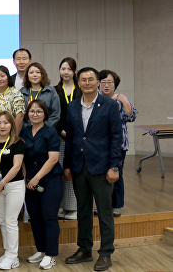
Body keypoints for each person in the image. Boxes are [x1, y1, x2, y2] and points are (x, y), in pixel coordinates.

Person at [64, 68, 122, 272]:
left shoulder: (110, 105)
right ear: (78, 83)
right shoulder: (71, 107)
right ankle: (85, 249)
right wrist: (68, 165)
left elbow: (117, 137)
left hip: (103, 167)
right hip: (79, 166)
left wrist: (114, 166)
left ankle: (106, 252)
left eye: (91, 79)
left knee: (105, 212)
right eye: (83, 80)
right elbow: (70, 138)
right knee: (83, 211)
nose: (87, 82)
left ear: (98, 82)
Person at [19, 100, 63, 270]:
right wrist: (25, 178)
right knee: (34, 216)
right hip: (29, 181)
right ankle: (41, 249)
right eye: (32, 111)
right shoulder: (24, 131)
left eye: (39, 111)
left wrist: (36, 178)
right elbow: (21, 158)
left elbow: (53, 159)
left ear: (45, 114)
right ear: (28, 114)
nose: (35, 114)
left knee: (49, 216)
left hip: (49, 179)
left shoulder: (51, 132)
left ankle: (50, 254)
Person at [98, 69, 138, 217]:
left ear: (115, 84)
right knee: (101, 176)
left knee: (117, 174)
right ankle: (103, 205)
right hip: (100, 144)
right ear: (98, 84)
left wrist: (125, 101)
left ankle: (117, 205)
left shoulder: (120, 99)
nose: (106, 86)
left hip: (118, 144)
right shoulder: (97, 100)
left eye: (110, 82)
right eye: (103, 83)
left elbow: (131, 116)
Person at [0, 111, 25, 270]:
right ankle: (7, 252)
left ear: (12, 124)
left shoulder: (17, 142)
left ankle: (13, 256)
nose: (2, 126)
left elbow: (17, 167)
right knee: (2, 221)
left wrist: (2, 182)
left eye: (6, 123)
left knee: (10, 222)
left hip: (13, 187)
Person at [54, 57, 81, 220]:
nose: (65, 72)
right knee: (61, 172)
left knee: (75, 171)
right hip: (59, 136)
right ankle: (63, 207)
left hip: (77, 138)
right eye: (63, 68)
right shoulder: (54, 90)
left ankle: (75, 208)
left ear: (75, 71)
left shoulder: (81, 90)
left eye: (69, 69)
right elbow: (52, 114)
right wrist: (61, 130)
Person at [0, 66, 25, 133]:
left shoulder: (15, 93)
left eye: (2, 76)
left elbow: (20, 115)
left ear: (8, 78)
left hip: (9, 135)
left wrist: (14, 136)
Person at [20, 62, 61, 128]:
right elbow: (19, 115)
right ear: (27, 76)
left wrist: (42, 128)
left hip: (46, 131)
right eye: (31, 73)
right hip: (26, 132)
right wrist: (28, 129)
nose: (34, 75)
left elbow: (55, 114)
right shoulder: (22, 92)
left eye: (38, 72)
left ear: (42, 75)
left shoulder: (51, 91)